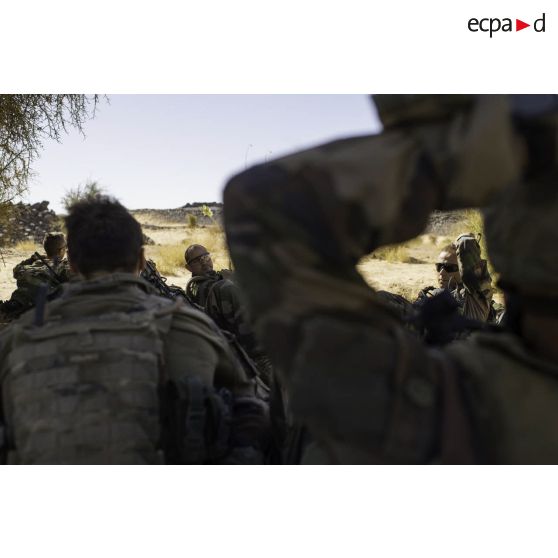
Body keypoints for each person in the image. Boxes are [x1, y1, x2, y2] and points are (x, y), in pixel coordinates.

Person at [223, 94, 558, 464]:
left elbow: (267, 206)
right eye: (441, 269)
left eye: (452, 270)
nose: (445, 275)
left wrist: (464, 152)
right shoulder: (436, 317)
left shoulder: (475, 411)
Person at [0, 198, 269, 464]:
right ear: (141, 260)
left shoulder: (14, 342)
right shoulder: (191, 330)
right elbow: (256, 416)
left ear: (70, 264)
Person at [185, 244, 272, 386]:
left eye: (205, 257)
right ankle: (260, 358)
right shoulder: (197, 287)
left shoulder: (219, 276)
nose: (203, 262)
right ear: (188, 268)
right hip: (228, 338)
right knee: (226, 288)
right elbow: (210, 293)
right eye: (196, 261)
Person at [415, 236, 493, 323]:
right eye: (439, 266)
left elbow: (466, 242)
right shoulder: (431, 295)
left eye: (450, 268)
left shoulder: (473, 301)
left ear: (464, 270)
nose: (442, 272)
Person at [0, 232, 71, 320]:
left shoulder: (33, 263)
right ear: (61, 251)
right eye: (66, 247)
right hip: (38, 310)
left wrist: (32, 259)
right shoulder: (62, 266)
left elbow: (16, 271)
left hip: (16, 303)